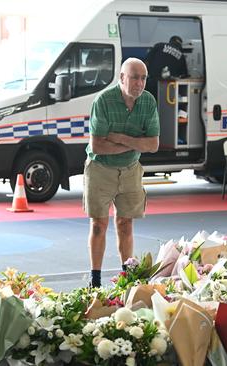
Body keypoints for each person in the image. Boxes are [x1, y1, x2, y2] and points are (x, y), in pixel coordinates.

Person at [84, 58, 160, 288]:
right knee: (99, 224)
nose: (139, 83)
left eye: (143, 78)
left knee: (125, 223)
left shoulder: (148, 101)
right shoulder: (104, 101)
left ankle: (127, 277)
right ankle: (95, 280)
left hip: (130, 170)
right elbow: (98, 146)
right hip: (100, 169)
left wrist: (121, 139)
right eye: (134, 77)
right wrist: (138, 143)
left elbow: (154, 145)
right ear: (121, 78)